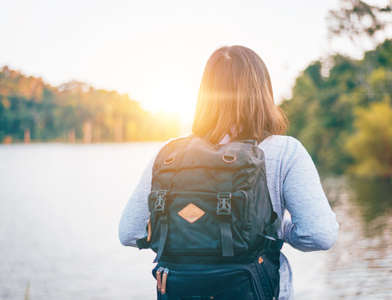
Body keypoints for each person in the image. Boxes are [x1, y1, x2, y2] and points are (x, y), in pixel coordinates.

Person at [119, 45, 339, 300]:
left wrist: (188, 234)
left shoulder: (170, 155)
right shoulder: (285, 151)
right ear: (263, 92)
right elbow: (320, 235)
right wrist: (277, 229)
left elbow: (129, 233)